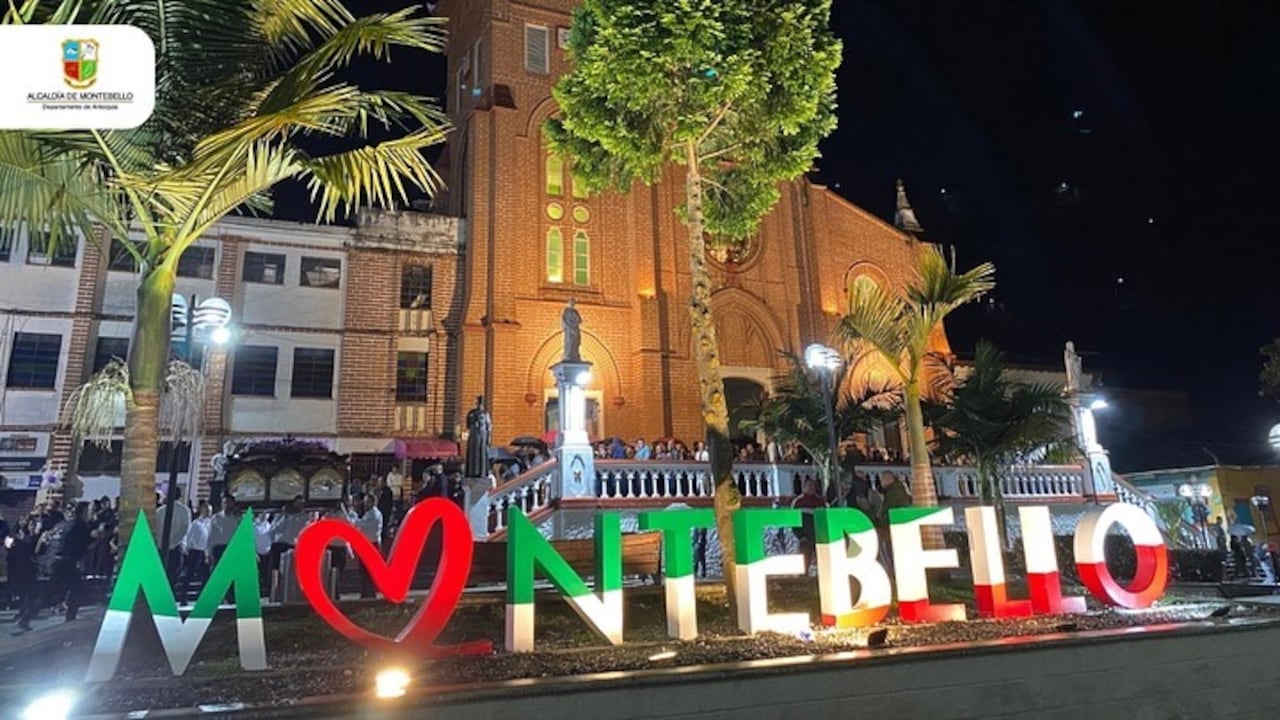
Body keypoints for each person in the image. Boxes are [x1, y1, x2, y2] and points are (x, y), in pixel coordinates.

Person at [346, 492, 383, 599]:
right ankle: (366, 593)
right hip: (367, 544)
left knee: (368, 570)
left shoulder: (374, 514)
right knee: (364, 570)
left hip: (371, 545)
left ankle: (369, 593)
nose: (365, 504)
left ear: (372, 502)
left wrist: (352, 516)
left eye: (367, 502)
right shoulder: (369, 513)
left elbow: (361, 524)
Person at [155, 487, 192, 588]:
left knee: (162, 574)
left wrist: (160, 543)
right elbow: (185, 529)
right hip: (176, 547)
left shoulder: (159, 511)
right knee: (174, 574)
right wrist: (174, 543)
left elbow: (156, 530)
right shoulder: (185, 511)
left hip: (162, 547)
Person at [790, 479, 827, 575]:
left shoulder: (820, 501)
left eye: (813, 486)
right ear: (804, 487)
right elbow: (794, 521)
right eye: (809, 486)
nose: (811, 488)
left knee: (822, 558)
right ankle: (803, 576)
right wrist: (800, 535)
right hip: (805, 536)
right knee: (805, 559)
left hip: (818, 535)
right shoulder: (798, 502)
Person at [183, 501, 213, 601]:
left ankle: (204, 597)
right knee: (190, 574)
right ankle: (184, 596)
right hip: (195, 551)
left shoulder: (210, 523)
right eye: (207, 510)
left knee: (206, 575)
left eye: (210, 510)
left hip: (206, 551)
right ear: (202, 510)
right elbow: (190, 536)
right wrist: (188, 548)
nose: (209, 512)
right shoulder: (196, 523)